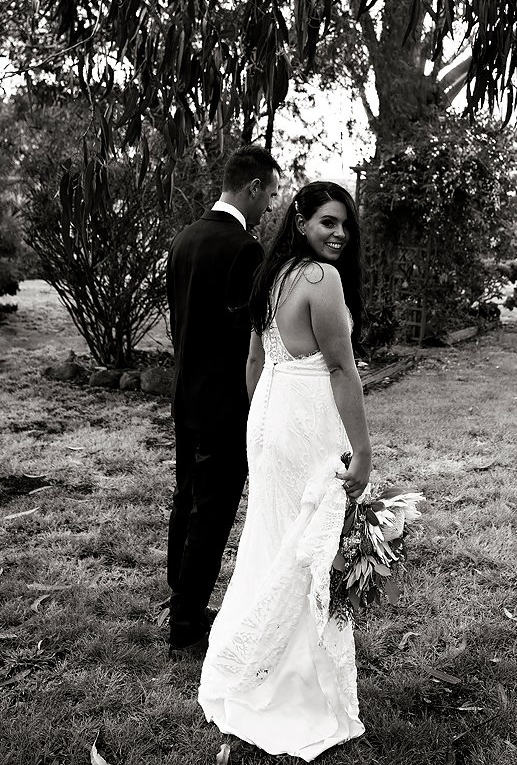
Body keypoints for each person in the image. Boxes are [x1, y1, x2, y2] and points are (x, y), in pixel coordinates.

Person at [198, 181, 372, 761]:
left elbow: (254, 361)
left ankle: (252, 661)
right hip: (302, 418)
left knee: (272, 540)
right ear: (301, 221)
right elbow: (343, 371)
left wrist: (262, 428)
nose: (339, 234)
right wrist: (363, 451)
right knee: (310, 545)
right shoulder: (323, 280)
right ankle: (291, 682)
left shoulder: (273, 277)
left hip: (268, 414)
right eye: (328, 221)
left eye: (345, 225)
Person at [166, 144, 281, 656]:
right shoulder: (244, 250)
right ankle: (187, 627)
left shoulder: (184, 239)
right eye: (271, 195)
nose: (271, 207)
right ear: (252, 188)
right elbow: (247, 338)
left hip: (186, 395)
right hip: (224, 405)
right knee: (212, 514)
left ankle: (181, 601)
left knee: (185, 500)